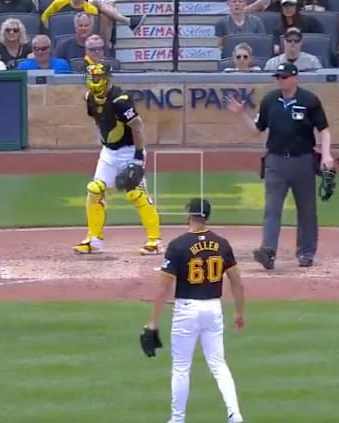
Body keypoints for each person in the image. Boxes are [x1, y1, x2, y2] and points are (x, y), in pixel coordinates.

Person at [140, 198, 245, 423]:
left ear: (189, 215)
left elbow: (163, 288)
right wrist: (239, 313)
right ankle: (234, 414)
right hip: (213, 308)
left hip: (186, 310)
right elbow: (237, 282)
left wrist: (152, 323)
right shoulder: (222, 244)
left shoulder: (178, 245)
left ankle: (177, 419)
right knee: (218, 363)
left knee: (181, 367)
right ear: (207, 216)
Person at [225, 62, 335, 269]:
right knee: (272, 208)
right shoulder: (270, 100)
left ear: (294, 78)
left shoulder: (308, 100)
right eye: (278, 77)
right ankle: (268, 251)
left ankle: (306, 253)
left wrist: (326, 154)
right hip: (275, 161)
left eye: (283, 77)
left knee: (307, 209)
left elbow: (324, 129)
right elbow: (256, 130)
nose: (280, 80)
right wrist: (242, 114)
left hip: (302, 159)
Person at [73, 63, 163, 255]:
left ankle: (155, 241)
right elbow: (99, 121)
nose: (94, 81)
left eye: (98, 77)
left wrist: (138, 158)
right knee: (94, 190)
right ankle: (94, 239)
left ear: (107, 78)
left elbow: (137, 125)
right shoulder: (89, 98)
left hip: (130, 150)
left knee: (136, 194)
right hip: (109, 152)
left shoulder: (120, 100)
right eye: (92, 77)